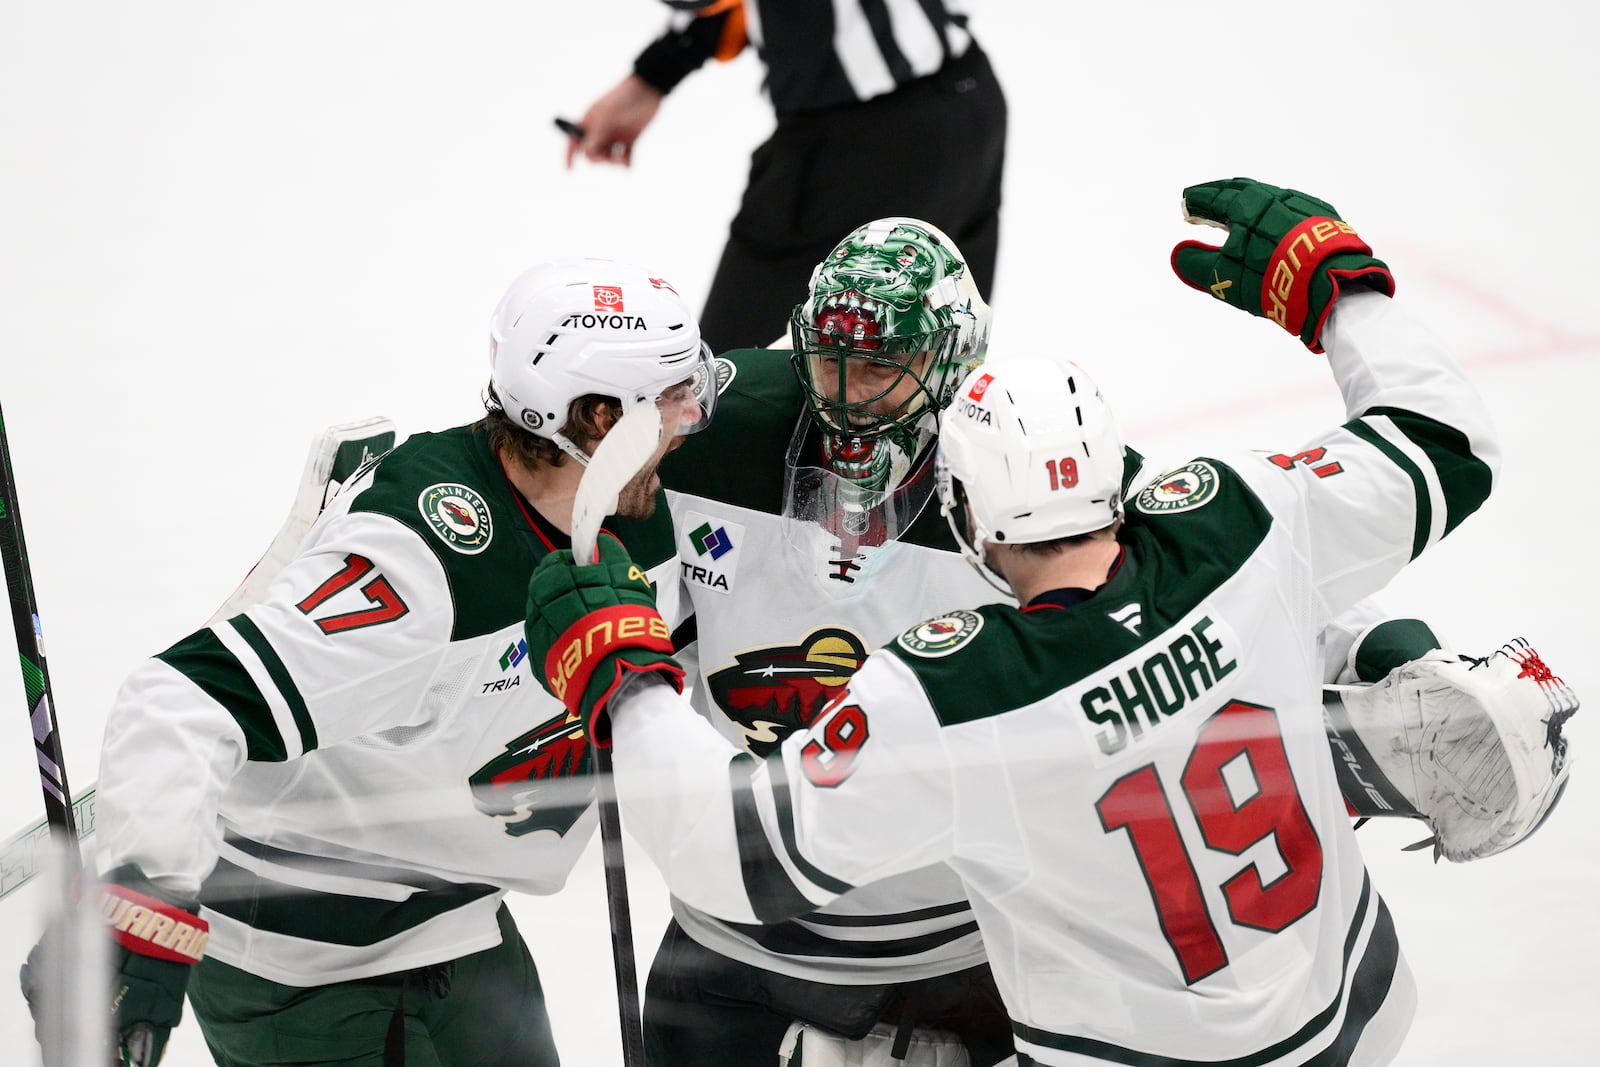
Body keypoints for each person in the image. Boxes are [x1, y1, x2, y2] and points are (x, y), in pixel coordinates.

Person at [523, 177, 1577, 1065]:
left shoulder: (949, 685)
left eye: (880, 367)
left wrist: (625, 680)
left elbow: (724, 841)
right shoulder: (1187, 521)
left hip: (940, 958)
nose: (845, 397)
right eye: (829, 360)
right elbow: (1279, 577)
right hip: (1327, 1000)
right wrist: (1373, 660)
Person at [20, 258, 715, 1065]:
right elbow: (177, 702)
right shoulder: (419, 558)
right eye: (672, 395)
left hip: (458, 922)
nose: (695, 412)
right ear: (597, 416)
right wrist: (143, 900)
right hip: (300, 963)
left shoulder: (642, 503)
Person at [566, 0, 1007, 353]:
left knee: (720, 398)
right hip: (966, 105)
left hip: (860, 148)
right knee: (917, 377)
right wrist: (654, 74)